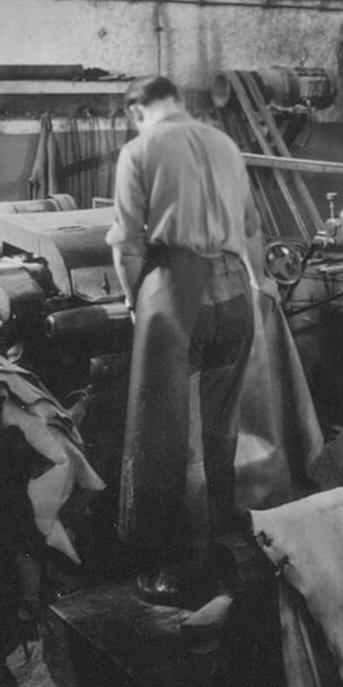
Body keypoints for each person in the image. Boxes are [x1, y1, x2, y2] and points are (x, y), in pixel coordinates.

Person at [107, 75, 263, 608]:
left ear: (136, 111)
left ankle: (171, 572)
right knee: (220, 434)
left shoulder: (139, 150)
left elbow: (127, 242)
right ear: (178, 102)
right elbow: (252, 227)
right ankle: (222, 556)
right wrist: (256, 293)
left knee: (167, 441)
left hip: (178, 292)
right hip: (235, 292)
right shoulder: (225, 143)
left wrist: (135, 305)